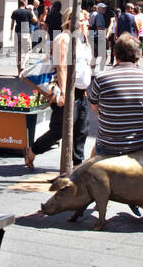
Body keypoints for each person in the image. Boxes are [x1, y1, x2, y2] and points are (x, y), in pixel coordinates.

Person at [25, 10, 92, 168]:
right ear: (70, 21)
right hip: (67, 91)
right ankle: (32, 151)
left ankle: (76, 166)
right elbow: (61, 67)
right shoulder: (63, 38)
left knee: (81, 129)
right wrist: (63, 92)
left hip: (80, 91)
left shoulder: (81, 39)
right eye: (82, 20)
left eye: (86, 20)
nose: (86, 23)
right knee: (59, 130)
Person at [88, 33, 143, 160]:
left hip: (108, 145)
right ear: (139, 55)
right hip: (140, 145)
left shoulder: (101, 79)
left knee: (95, 149)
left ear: (114, 53)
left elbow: (95, 108)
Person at [11, 0, 33, 68]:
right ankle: (23, 64)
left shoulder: (15, 12)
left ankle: (19, 73)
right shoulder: (28, 12)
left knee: (18, 53)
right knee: (28, 51)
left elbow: (12, 23)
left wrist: (11, 33)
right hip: (25, 32)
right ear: (25, 3)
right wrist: (31, 10)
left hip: (17, 32)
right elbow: (35, 20)